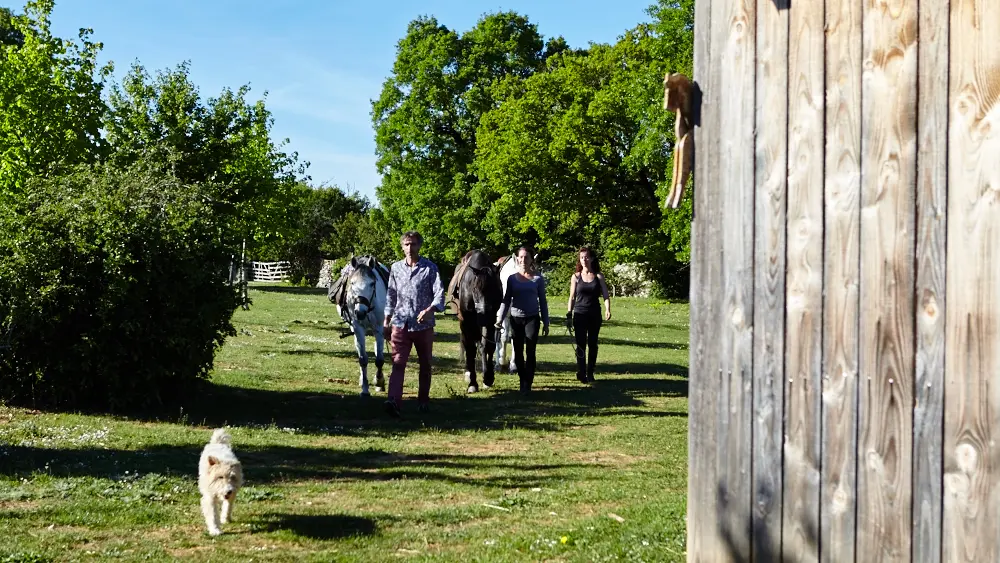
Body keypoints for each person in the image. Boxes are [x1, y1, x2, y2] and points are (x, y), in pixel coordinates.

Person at [382, 231, 445, 416]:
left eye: (414, 244)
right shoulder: (395, 268)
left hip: (423, 326)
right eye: (407, 244)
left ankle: (423, 401)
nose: (410, 248)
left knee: (425, 364)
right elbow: (391, 296)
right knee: (398, 363)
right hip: (400, 323)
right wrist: (386, 321)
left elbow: (439, 293)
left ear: (419, 246)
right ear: (402, 247)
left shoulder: (430, 268)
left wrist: (430, 310)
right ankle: (393, 401)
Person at [496, 246, 549, 394]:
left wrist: (546, 321)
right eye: (521, 257)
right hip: (516, 319)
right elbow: (506, 300)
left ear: (531, 259)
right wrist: (500, 318)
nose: (523, 260)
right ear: (517, 259)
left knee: (530, 351)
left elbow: (543, 302)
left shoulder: (538, 279)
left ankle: (528, 382)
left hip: (532, 318)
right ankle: (522, 380)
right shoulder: (512, 279)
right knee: (518, 352)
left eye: (526, 257)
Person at [567, 247, 611, 383]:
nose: (584, 260)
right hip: (579, 314)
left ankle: (590, 372)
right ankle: (582, 371)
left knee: (593, 344)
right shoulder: (576, 277)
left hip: (594, 315)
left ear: (591, 258)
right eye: (581, 257)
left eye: (586, 257)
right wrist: (569, 314)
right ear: (579, 260)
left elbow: (605, 295)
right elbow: (572, 297)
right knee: (580, 344)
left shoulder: (598, 276)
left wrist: (607, 309)